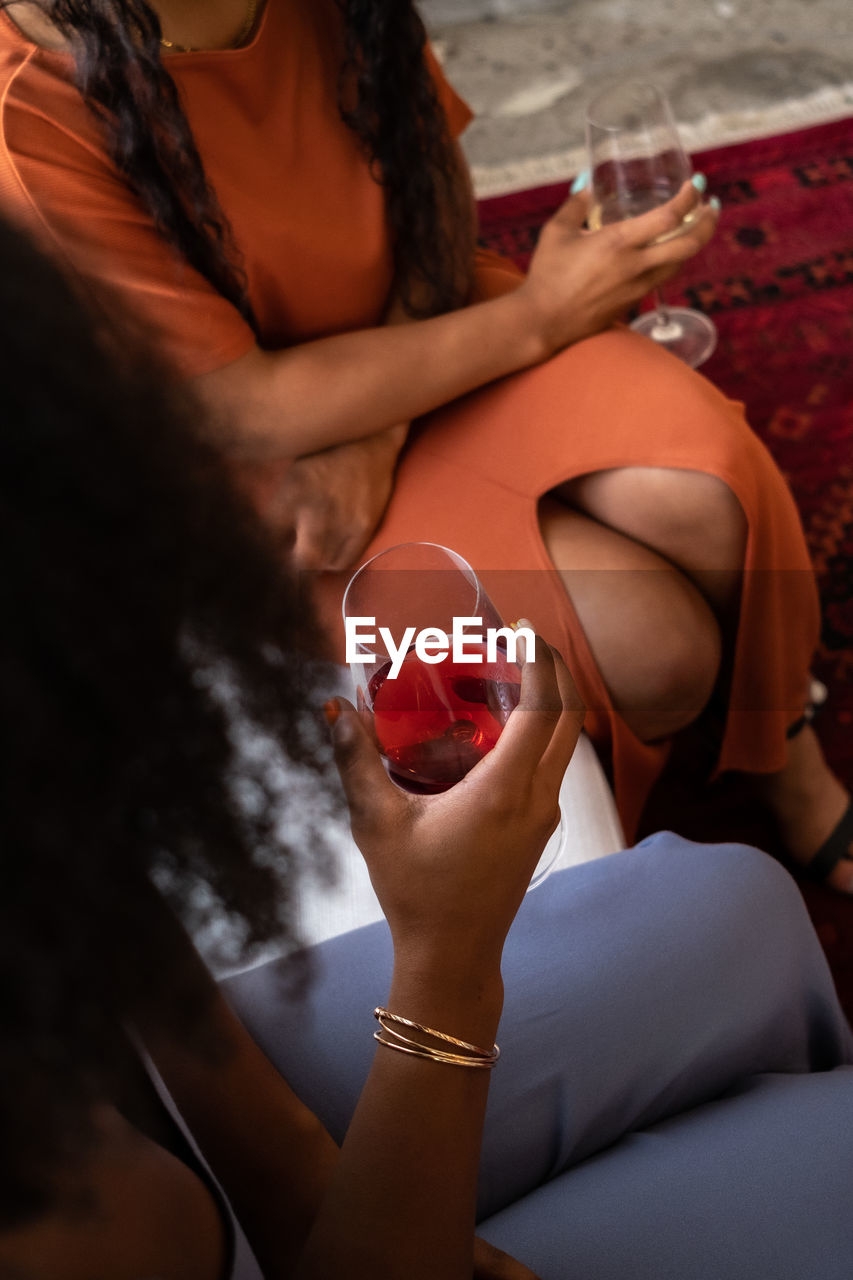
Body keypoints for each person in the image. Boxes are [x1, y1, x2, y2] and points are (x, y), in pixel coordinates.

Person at [2, 207, 853, 1280]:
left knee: (744, 906)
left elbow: (103, 926)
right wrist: (446, 963)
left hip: (240, 1156)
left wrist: (293, 1166)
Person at [0, 0, 850, 883]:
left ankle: (780, 745)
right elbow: (242, 411)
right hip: (271, 484)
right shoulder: (25, 116)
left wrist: (380, 436)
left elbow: (433, 178)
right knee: (656, 648)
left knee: (703, 494)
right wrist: (542, 318)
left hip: (425, 326)